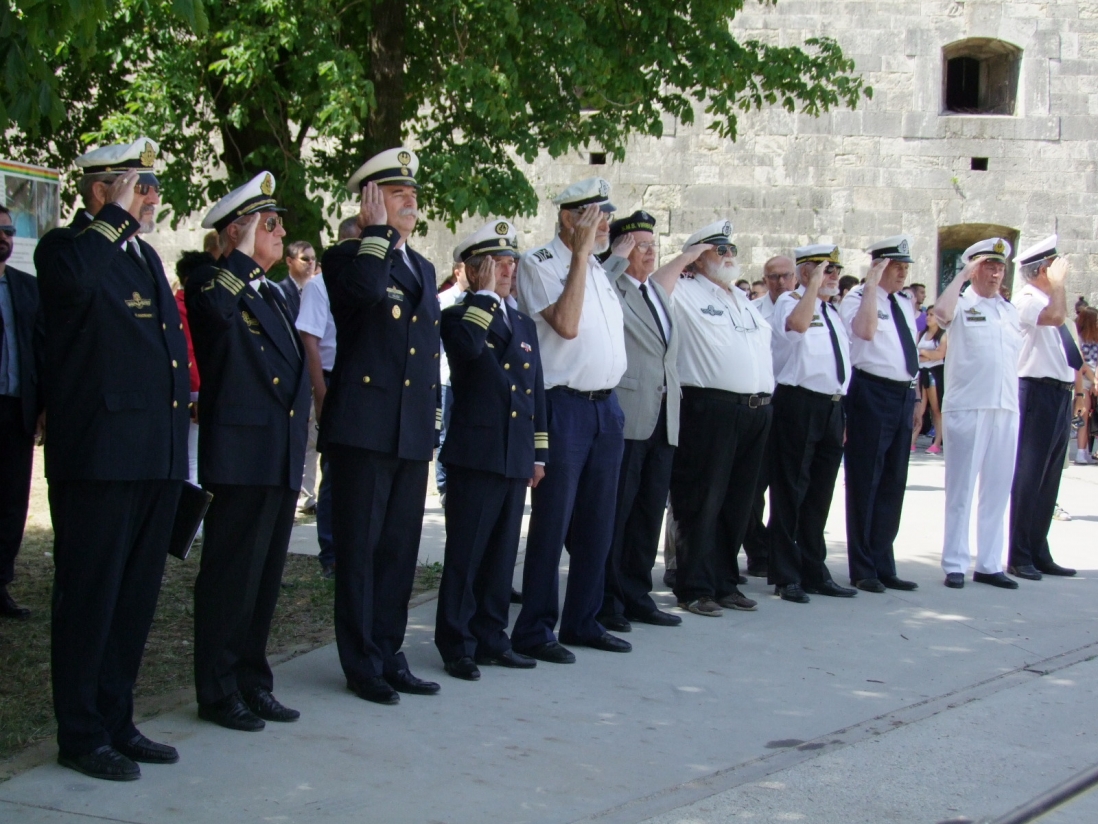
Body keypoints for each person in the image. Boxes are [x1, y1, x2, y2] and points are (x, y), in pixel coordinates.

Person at [36, 138, 190, 780]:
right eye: (139, 184)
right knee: (90, 600)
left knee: (132, 602)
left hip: (151, 456)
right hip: (98, 459)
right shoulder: (66, 248)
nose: (152, 197)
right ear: (102, 189)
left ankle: (116, 720)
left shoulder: (142, 256)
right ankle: (80, 733)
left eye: (151, 185)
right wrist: (113, 220)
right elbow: (73, 286)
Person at [187, 171, 311, 732]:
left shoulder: (272, 291)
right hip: (240, 453)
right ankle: (218, 690)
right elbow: (214, 317)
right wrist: (235, 255)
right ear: (238, 232)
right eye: (269, 223)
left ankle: (252, 680)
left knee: (262, 578)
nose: (281, 232)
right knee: (230, 576)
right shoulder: (211, 283)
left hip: (276, 452)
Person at [321, 148, 442, 704]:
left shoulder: (423, 268)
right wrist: (375, 234)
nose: (410, 201)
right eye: (397, 194)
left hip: (409, 429)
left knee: (398, 551)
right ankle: (361, 662)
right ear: (370, 201)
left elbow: (425, 352)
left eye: (413, 194)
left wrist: (429, 421)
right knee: (360, 551)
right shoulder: (347, 257)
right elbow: (366, 293)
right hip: (364, 428)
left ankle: (390, 652)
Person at [513, 177, 630, 662]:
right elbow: (565, 325)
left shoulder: (598, 267)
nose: (605, 223)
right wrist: (580, 256)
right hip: (563, 406)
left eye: (607, 215)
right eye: (596, 215)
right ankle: (536, 628)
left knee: (598, 523)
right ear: (568, 217)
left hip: (606, 407)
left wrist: (587, 258)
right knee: (553, 521)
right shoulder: (539, 262)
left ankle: (584, 619)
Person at [434, 220, 545, 680]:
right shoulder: (459, 315)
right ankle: (456, 643)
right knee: (467, 555)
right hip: (477, 452)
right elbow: (466, 349)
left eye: (511, 262)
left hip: (514, 453)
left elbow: (535, 391)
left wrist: (538, 453)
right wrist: (481, 297)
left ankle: (492, 637)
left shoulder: (522, 322)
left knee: (501, 557)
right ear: (476, 269)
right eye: (497, 263)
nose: (508, 270)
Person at [597, 211, 704, 630]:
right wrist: (614, 260)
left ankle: (636, 595)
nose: (649, 251)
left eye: (652, 244)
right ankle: (607, 600)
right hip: (629, 414)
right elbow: (593, 293)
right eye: (640, 245)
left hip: (663, 417)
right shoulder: (611, 284)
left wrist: (688, 255)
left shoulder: (654, 291)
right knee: (618, 515)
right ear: (622, 248)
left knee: (647, 514)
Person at [667, 220, 774, 616]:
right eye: (719, 250)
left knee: (738, 503)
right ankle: (693, 587)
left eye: (732, 250)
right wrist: (684, 260)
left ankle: (725, 582)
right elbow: (654, 288)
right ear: (697, 257)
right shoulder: (684, 290)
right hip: (710, 407)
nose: (729, 256)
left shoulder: (741, 298)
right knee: (700, 501)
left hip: (755, 410)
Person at [767, 245, 856, 604]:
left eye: (836, 270)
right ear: (805, 272)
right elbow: (798, 327)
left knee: (820, 494)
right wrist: (813, 286)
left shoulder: (831, 311)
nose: (834, 276)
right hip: (798, 403)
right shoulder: (791, 302)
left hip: (831, 406)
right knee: (791, 492)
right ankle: (785, 575)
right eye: (826, 269)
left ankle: (813, 569)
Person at [934, 238, 1023, 590]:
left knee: (997, 491)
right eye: (989, 266)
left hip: (1005, 406)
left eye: (1000, 268)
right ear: (973, 269)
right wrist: (960, 278)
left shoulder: (1008, 310)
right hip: (968, 406)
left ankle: (988, 563)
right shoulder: (961, 303)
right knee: (961, 490)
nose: (996, 274)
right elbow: (941, 314)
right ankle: (955, 562)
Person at [838, 235, 920, 593]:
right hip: (870, 391)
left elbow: (908, 351)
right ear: (878, 266)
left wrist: (916, 397)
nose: (902, 273)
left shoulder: (903, 301)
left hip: (902, 393)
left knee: (892, 482)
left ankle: (883, 561)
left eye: (904, 267)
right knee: (866, 481)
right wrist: (871, 285)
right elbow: (865, 331)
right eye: (895, 266)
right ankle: (863, 567)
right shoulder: (858, 298)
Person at [1007, 235, 1080, 581]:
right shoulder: (1027, 300)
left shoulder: (1049, 299)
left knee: (1049, 478)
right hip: (1035, 391)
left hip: (1058, 393)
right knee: (1029, 476)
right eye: (1053, 266)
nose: (1058, 271)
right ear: (1041, 271)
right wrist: (1059, 286)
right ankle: (1019, 554)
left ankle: (1038, 549)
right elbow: (1054, 318)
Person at [296, 218, 354, 578]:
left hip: (361, 380)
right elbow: (311, 342)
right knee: (333, 469)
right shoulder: (320, 285)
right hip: (333, 378)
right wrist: (321, 394)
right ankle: (331, 551)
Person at [0, 203, 44, 619]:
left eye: (10, 231)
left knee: (12, 500)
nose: (5, 238)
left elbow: (41, 348)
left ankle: (1, 583)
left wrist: (43, 405)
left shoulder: (26, 287)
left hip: (16, 409)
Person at [744, 254, 797, 574]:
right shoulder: (752, 310)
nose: (780, 282)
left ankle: (784, 551)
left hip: (796, 404)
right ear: (764, 279)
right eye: (773, 276)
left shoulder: (809, 307)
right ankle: (758, 550)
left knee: (790, 484)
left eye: (786, 275)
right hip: (763, 403)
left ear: (796, 277)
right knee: (753, 486)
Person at [174, 251, 214, 521]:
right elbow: (189, 352)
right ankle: (193, 525)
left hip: (205, 389)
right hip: (195, 392)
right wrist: (197, 392)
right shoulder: (180, 306)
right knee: (192, 459)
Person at [436, 258, 469, 507]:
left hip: (464, 379)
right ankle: (443, 484)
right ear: (457, 272)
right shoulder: (444, 300)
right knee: (445, 432)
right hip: (446, 376)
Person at [911, 307, 947, 454]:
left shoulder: (943, 335)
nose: (928, 317)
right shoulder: (921, 334)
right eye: (928, 314)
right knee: (919, 408)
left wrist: (923, 352)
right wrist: (927, 355)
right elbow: (913, 353)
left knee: (936, 408)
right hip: (920, 373)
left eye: (932, 315)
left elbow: (940, 354)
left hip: (934, 373)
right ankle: (912, 440)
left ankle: (937, 441)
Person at [1075, 306, 1098, 463]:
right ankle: (1081, 452)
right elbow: (1081, 363)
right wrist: (1093, 380)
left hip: (1095, 377)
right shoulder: (1079, 339)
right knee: (1084, 414)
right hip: (1083, 378)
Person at [278, 240, 316, 321]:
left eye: (313, 258)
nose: (311, 262)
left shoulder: (318, 290)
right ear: (289, 261)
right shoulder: (279, 291)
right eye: (305, 258)